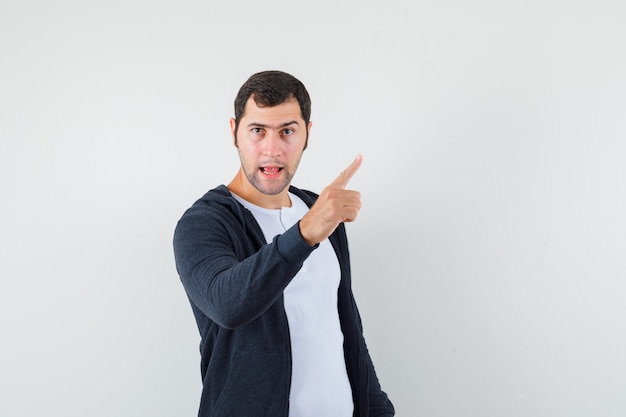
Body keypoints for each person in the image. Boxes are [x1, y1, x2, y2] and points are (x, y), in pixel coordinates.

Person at [173, 70, 394, 417]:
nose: (272, 149)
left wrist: (380, 409)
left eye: (287, 131)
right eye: (257, 131)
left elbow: (343, 326)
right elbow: (228, 305)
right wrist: (305, 233)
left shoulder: (320, 211)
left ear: (307, 133)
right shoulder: (204, 223)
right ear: (234, 132)